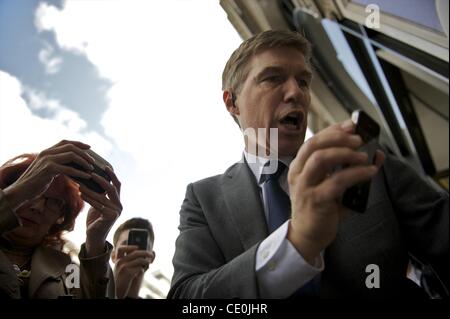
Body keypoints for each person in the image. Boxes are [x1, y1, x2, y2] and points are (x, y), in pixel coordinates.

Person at [168, 30, 449, 298]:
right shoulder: (202, 199)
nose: (296, 93)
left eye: (303, 81)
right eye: (273, 78)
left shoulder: (364, 163)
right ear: (232, 102)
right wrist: (296, 244)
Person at [0, 140, 122, 298]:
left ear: (61, 216)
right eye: (32, 192)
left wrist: (96, 242)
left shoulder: (69, 271)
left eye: (53, 202)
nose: (37, 207)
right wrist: (14, 196)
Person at [111, 218, 155, 299]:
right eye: (127, 245)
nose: (135, 253)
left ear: (151, 257)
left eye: (143, 247)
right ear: (113, 256)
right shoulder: (91, 291)